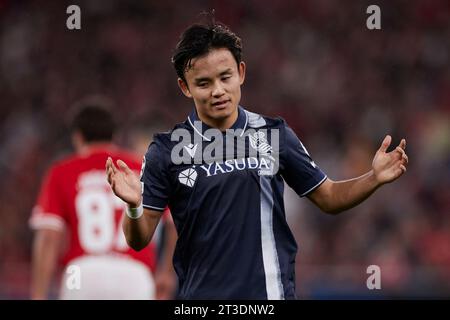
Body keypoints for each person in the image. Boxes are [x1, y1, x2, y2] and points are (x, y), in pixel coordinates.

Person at [106, 22, 409, 299]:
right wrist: (133, 206)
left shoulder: (274, 134)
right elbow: (139, 239)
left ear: (241, 72)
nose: (218, 91)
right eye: (203, 83)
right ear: (185, 87)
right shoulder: (166, 149)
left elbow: (327, 196)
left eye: (225, 77)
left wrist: (373, 178)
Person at [30, 97, 177, 300]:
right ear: (115, 135)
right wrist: (166, 273)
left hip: (81, 272)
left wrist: (38, 295)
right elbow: (175, 221)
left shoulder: (62, 171)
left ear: (77, 137)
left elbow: (48, 237)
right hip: (134, 274)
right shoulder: (139, 167)